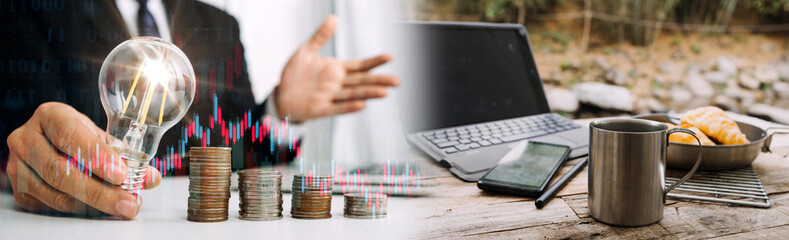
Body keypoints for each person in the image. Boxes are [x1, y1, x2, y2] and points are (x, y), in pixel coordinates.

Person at [0, 0, 399, 220]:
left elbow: (241, 151)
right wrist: (22, 156)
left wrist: (280, 109)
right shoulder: (31, 11)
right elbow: (20, 137)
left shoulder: (220, 25)